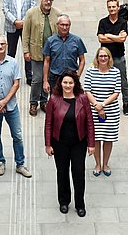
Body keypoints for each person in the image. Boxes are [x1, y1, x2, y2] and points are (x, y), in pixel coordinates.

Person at [44, 71, 95, 218]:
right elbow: (48, 123)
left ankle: (80, 204)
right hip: (59, 143)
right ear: (60, 83)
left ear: (75, 84)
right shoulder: (53, 99)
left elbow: (89, 122)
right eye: (65, 82)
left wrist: (91, 143)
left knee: (79, 173)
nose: (67, 85)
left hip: (79, 142)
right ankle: (64, 201)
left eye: (70, 83)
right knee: (62, 172)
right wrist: (48, 144)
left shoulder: (83, 98)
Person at [0, 34, 32, 178]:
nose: (0, 46)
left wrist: (4, 101)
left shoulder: (14, 63)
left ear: (7, 45)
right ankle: (0, 161)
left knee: (17, 135)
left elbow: (16, 83)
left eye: (3, 44)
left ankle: (20, 164)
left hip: (11, 106)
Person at [83, 47, 121, 177]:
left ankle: (105, 163)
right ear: (97, 58)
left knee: (108, 138)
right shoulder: (90, 71)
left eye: (106, 56)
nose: (103, 58)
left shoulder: (115, 72)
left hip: (111, 111)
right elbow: (87, 90)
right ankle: (98, 164)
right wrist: (96, 105)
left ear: (109, 58)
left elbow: (116, 92)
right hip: (94, 111)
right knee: (97, 138)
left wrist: (103, 105)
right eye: (101, 56)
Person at [23, 0, 61, 115]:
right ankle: (33, 102)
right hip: (36, 53)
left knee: (48, 78)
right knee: (37, 78)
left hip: (52, 55)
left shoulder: (57, 14)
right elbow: (26, 34)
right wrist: (26, 51)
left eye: (50, 0)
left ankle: (44, 101)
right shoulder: (31, 13)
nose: (48, 2)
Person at [2, 0, 36, 85]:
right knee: (11, 52)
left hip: (26, 27)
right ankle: (11, 75)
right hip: (12, 26)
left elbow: (33, 8)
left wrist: (24, 22)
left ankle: (29, 76)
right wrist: (15, 21)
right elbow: (5, 9)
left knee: (28, 51)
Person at [97, 0, 128, 115]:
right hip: (104, 58)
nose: (111, 9)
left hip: (118, 56)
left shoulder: (123, 22)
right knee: (103, 80)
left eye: (113, 7)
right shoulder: (102, 22)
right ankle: (106, 102)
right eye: (109, 7)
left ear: (118, 8)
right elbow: (101, 38)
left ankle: (126, 103)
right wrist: (116, 38)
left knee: (123, 81)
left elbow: (122, 39)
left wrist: (109, 35)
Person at [43, 15, 87, 96]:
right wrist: (45, 81)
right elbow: (46, 61)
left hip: (71, 77)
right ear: (57, 25)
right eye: (62, 25)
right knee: (56, 101)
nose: (64, 27)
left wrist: (78, 76)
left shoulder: (77, 40)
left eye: (67, 25)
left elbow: (82, 60)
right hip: (55, 77)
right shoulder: (50, 41)